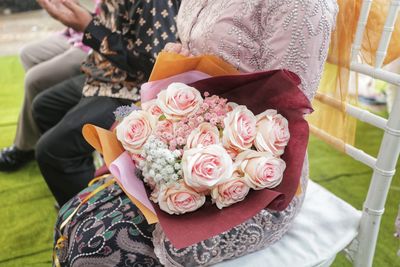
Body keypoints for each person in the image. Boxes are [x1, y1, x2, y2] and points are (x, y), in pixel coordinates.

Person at [52, 1, 338, 266]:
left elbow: (285, 111)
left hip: (251, 179)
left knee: (95, 246)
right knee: (73, 213)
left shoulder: (302, 5)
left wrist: (200, 157)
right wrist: (174, 76)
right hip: (183, 141)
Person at [33, 0, 181, 207]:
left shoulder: (153, 4)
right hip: (107, 76)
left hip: (132, 91)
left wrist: (89, 27)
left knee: (52, 150)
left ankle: (91, 215)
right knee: (44, 106)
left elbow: (153, 66)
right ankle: (77, 187)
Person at [0, 2, 99, 171]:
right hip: (80, 33)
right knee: (28, 55)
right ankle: (43, 130)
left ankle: (26, 146)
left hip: (97, 41)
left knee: (35, 80)